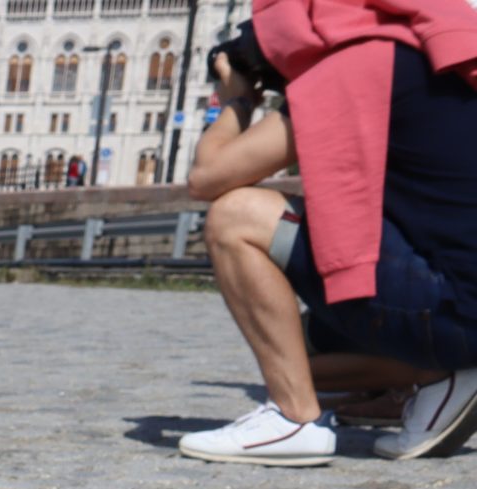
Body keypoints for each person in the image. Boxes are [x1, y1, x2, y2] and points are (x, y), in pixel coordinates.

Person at [180, 7, 477, 465]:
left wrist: (237, 99)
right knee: (302, 350)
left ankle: (294, 419)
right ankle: (438, 377)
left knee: (235, 216)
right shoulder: (444, 50)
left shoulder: (362, 64)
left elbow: (208, 178)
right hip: (458, 294)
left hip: (454, 306)